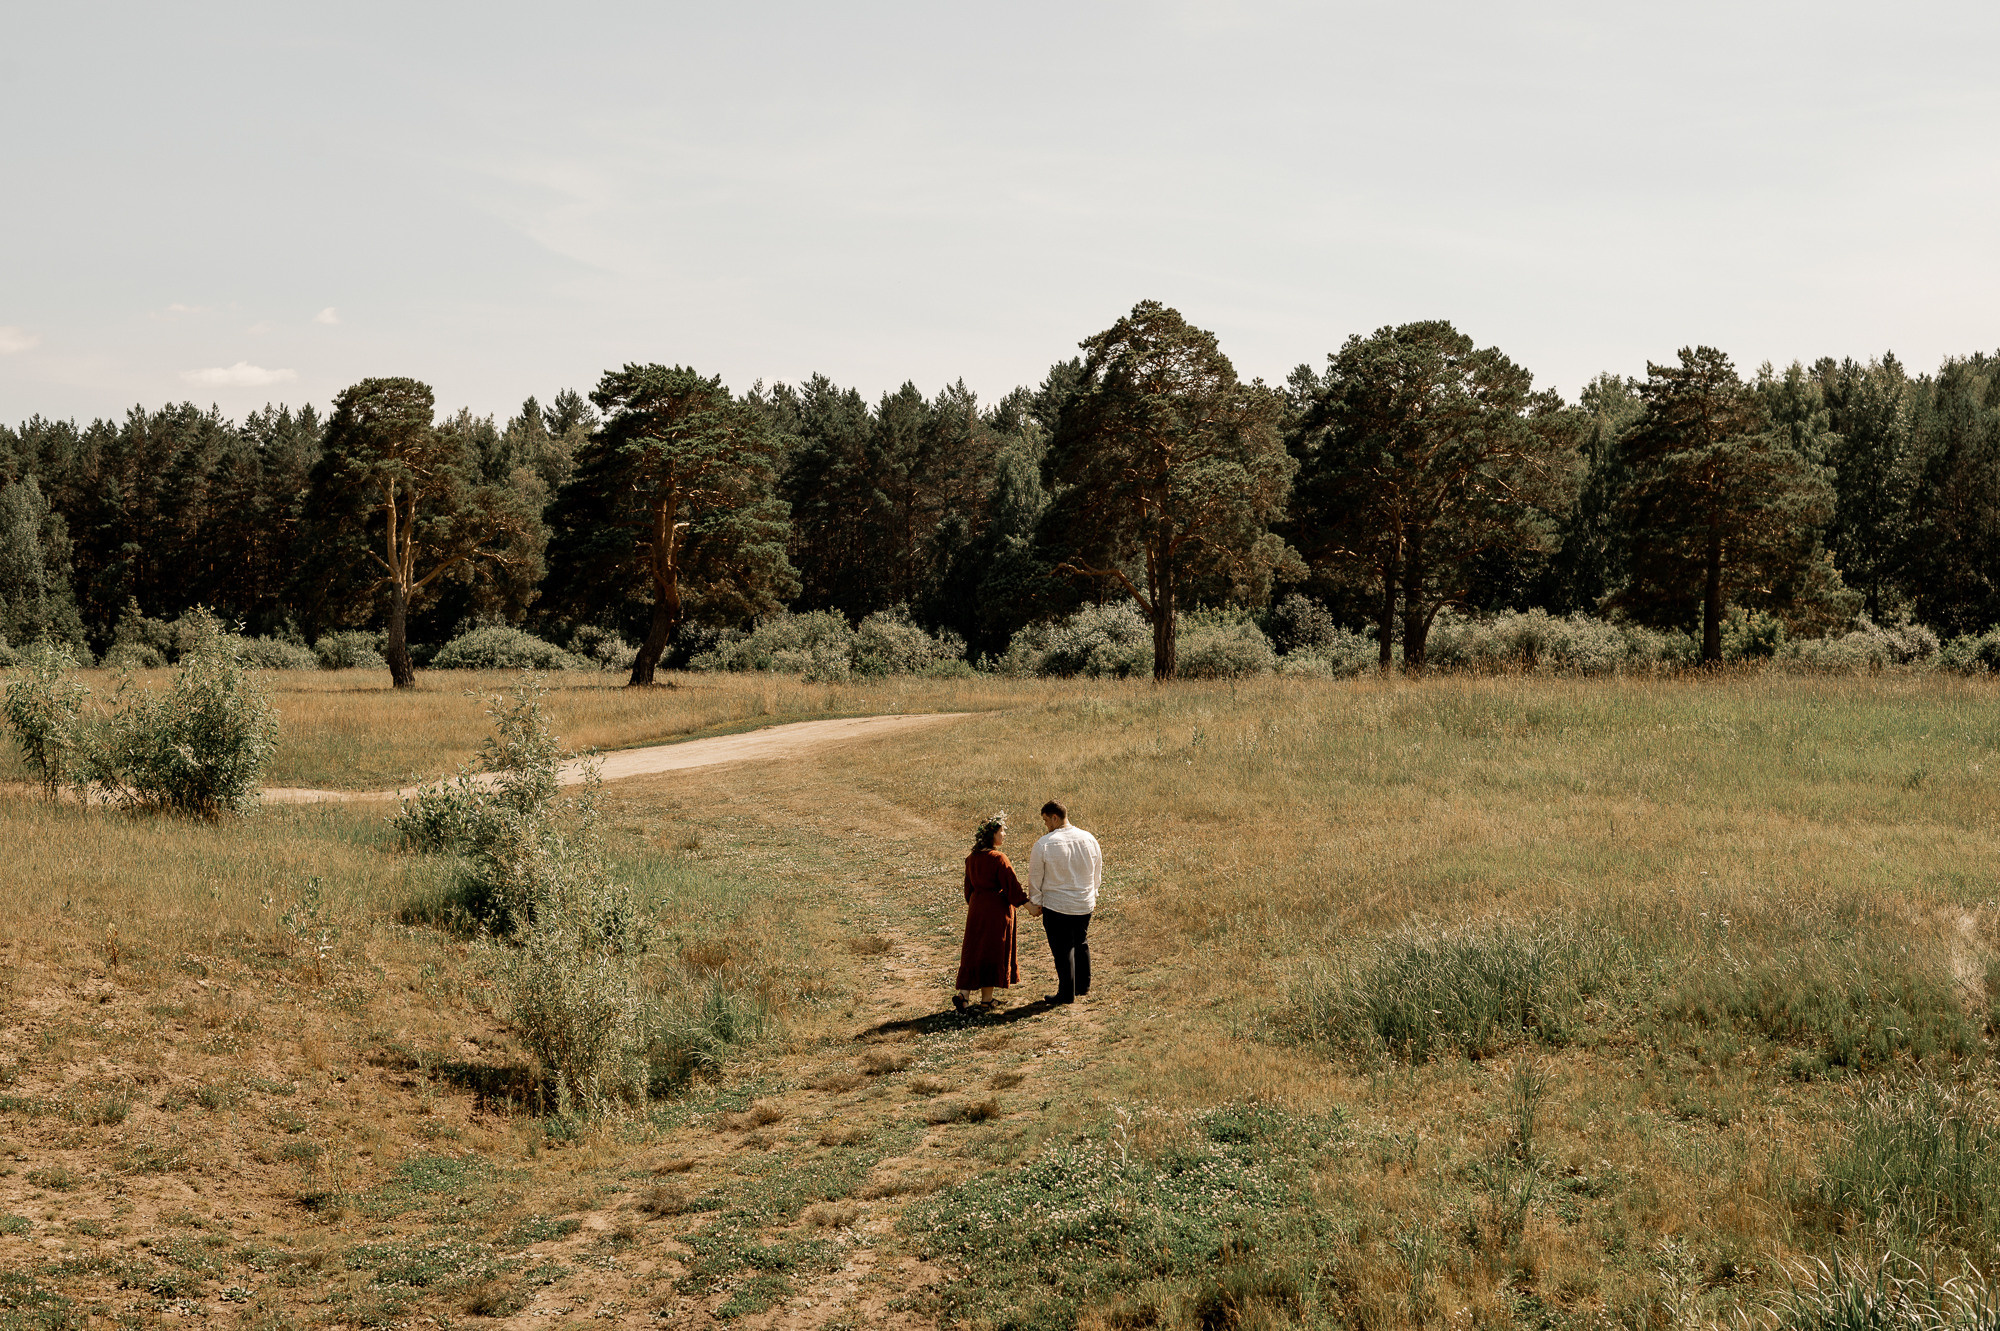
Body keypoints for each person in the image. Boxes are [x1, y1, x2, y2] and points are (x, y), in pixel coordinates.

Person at [1026, 799, 1100, 1005]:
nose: (1046, 825)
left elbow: (1035, 877)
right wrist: (1092, 894)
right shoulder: (1089, 838)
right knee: (1081, 941)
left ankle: (1066, 993)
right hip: (1083, 902)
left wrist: (1036, 901)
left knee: (1062, 948)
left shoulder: (1044, 844)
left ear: (1054, 817)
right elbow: (1097, 871)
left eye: (1046, 820)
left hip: (1057, 905)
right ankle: (1082, 986)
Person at [953, 812, 1028, 1011]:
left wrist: (977, 903)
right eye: (1001, 831)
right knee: (992, 950)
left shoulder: (971, 858)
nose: (1004, 834)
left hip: (977, 908)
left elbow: (968, 890)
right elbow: (1011, 886)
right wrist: (1028, 905)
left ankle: (964, 995)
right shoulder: (998, 858)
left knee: (974, 949)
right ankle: (986, 1000)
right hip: (996, 910)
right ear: (992, 834)